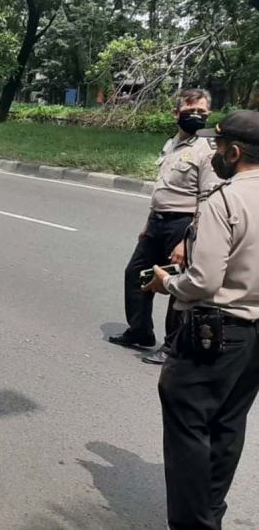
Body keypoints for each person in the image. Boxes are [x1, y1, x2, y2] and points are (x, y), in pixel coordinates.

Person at [142, 110, 259, 530]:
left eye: (217, 146)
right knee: (229, 423)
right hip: (253, 336)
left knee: (189, 425)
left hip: (217, 328)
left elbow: (204, 281)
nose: (213, 153)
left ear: (234, 151)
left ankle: (195, 524)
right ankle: (212, 513)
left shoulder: (224, 200)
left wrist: (166, 285)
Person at [110, 89, 221, 363]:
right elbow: (163, 188)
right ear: (176, 113)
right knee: (137, 274)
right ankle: (140, 331)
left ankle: (172, 346)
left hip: (183, 226)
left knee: (177, 286)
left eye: (202, 112)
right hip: (158, 223)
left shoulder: (206, 150)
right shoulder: (172, 143)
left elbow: (206, 198)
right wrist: (149, 223)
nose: (196, 116)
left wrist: (188, 240)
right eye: (190, 110)